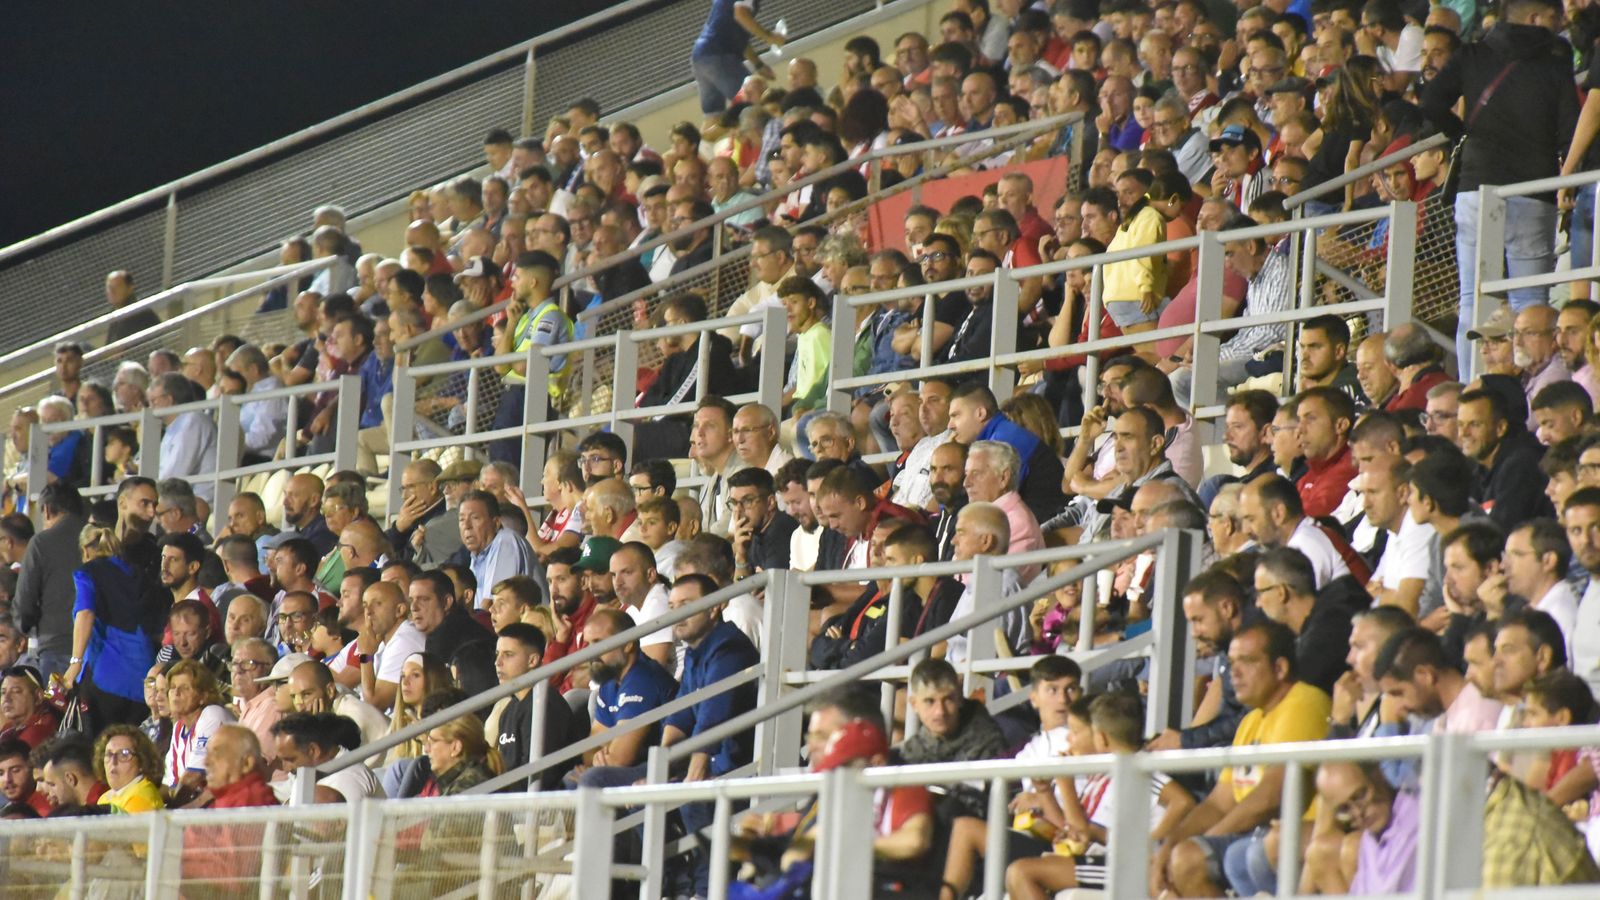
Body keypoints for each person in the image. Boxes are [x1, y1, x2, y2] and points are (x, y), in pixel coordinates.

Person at [1153, 621, 1331, 897]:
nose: (1233, 672)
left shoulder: (1303, 703)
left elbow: (1272, 795)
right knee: (1176, 856)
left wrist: (1207, 839)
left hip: (1295, 836)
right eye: (1232, 661)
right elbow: (1219, 802)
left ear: (1280, 668)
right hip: (1254, 834)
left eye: (1246, 661)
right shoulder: (1251, 720)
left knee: (1192, 857)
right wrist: (1170, 843)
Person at [67, 514, 166, 734]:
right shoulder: (138, 574)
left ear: (85, 550)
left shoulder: (88, 572)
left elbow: (85, 613)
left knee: (101, 752)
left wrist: (75, 663)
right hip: (143, 680)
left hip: (106, 679)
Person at [493, 623, 577, 790]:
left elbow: (543, 776)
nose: (498, 662)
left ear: (532, 660)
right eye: (497, 654)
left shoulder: (545, 706)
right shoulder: (508, 710)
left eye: (508, 655)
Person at [14, 481, 85, 678]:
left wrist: (23, 626)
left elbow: (24, 602)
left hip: (56, 648)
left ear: (46, 510)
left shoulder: (42, 542)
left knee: (55, 708)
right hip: (97, 648)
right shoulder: (100, 538)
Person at [269, 712, 383, 803]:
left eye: (290, 760)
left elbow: (336, 830)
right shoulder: (308, 770)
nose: (286, 768)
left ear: (313, 750)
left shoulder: (347, 779)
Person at [94, 724, 164, 813]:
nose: (113, 761)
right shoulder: (105, 798)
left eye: (124, 754)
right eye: (109, 754)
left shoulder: (140, 799)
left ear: (142, 761)